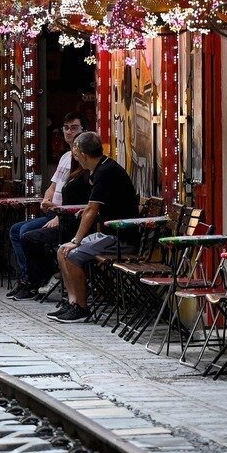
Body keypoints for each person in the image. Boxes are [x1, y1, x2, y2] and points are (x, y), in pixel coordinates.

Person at [52, 132, 140, 323]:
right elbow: (96, 207)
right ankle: (72, 302)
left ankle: (82, 308)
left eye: (76, 154)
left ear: (83, 154)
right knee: (62, 251)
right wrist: (86, 212)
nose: (75, 158)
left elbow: (92, 209)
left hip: (119, 237)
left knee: (71, 254)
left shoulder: (105, 172)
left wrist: (76, 240)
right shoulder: (102, 168)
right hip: (109, 233)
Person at [6, 113, 85, 300]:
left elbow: (81, 197)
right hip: (54, 213)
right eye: (66, 128)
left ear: (84, 131)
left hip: (67, 218)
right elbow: (52, 186)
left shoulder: (83, 159)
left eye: (74, 128)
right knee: (15, 230)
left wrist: (60, 215)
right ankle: (28, 278)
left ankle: (36, 279)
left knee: (26, 232)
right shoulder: (66, 156)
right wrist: (45, 200)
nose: (69, 132)